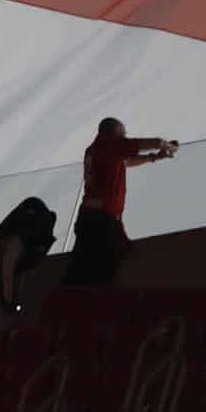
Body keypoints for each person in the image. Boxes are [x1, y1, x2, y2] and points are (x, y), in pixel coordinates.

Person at [62, 118, 178, 287]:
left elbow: (126, 161)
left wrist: (153, 158)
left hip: (92, 218)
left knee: (83, 266)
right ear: (112, 133)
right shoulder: (108, 145)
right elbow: (150, 143)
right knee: (105, 268)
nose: (124, 137)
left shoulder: (98, 151)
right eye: (122, 134)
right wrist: (167, 146)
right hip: (101, 220)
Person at [0, 196, 57, 313]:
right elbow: (14, 268)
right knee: (15, 264)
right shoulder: (6, 255)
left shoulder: (6, 249)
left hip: (31, 217)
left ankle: (6, 295)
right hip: (31, 219)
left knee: (12, 260)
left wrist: (9, 299)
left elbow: (9, 263)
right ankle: (6, 294)